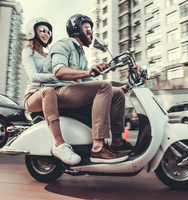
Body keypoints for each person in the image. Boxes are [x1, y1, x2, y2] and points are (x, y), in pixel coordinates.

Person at [43, 14, 133, 164]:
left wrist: (115, 88)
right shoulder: (63, 44)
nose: (91, 33)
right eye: (87, 29)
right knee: (104, 87)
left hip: (72, 92)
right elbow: (59, 71)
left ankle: (117, 141)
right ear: (77, 30)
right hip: (57, 92)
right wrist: (88, 72)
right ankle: (98, 147)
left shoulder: (82, 55)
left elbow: (89, 81)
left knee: (116, 93)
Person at [22, 18, 81, 165]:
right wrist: (57, 74)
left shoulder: (49, 55)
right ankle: (59, 144)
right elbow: (33, 76)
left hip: (50, 93)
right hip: (33, 97)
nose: (46, 33)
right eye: (42, 30)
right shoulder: (28, 51)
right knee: (48, 91)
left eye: (48, 31)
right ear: (32, 32)